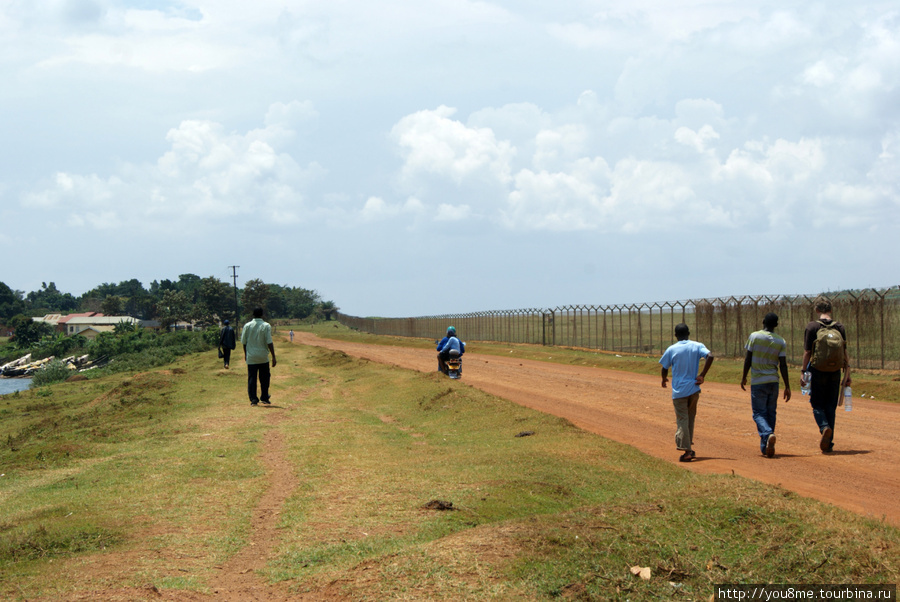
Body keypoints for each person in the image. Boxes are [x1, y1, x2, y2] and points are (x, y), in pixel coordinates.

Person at [801, 298, 851, 453]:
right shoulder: (840, 327)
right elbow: (844, 352)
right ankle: (829, 444)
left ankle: (824, 427)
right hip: (835, 371)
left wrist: (804, 372)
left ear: (817, 310)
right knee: (831, 406)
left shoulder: (812, 326)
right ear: (830, 310)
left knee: (817, 404)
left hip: (817, 371)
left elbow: (808, 352)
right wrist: (848, 374)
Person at [660, 323, 714, 462]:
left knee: (682, 419)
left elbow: (665, 367)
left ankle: (687, 451)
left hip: (679, 391)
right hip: (694, 389)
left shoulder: (672, 349)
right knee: (690, 418)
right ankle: (689, 447)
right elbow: (710, 356)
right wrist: (702, 375)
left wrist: (664, 379)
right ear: (689, 333)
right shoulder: (697, 345)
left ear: (675, 335)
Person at [741, 312, 791, 457]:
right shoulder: (781, 341)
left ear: (763, 322)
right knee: (771, 413)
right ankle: (766, 446)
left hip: (758, 381)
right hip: (773, 382)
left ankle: (768, 434)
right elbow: (783, 365)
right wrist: (787, 386)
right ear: (776, 325)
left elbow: (748, 359)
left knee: (758, 413)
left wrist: (744, 376)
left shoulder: (754, 336)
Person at [241, 307, 277, 406]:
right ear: (262, 314)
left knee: (252, 378)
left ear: (253, 314)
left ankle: (253, 399)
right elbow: (269, 342)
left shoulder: (247, 326)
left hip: (251, 356)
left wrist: (246, 354)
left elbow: (244, 342)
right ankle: (264, 397)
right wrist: (273, 356)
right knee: (265, 377)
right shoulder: (266, 326)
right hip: (263, 356)